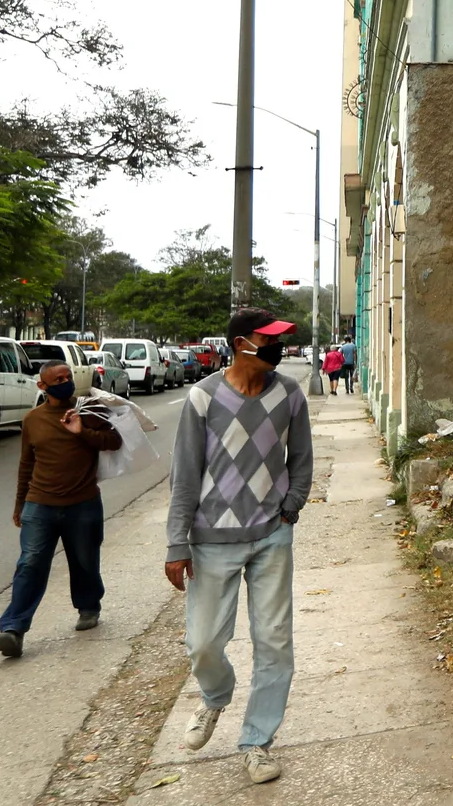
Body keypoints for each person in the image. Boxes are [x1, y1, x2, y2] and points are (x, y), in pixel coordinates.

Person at [165, 309, 313, 785]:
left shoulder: (289, 394)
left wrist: (290, 508)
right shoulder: (203, 397)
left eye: (278, 341)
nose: (276, 348)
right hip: (211, 538)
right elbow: (184, 475)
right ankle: (214, 697)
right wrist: (176, 542)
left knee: (274, 642)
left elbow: (302, 460)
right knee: (203, 643)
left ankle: (257, 742)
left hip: (271, 535)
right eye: (265, 341)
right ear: (239, 344)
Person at [0, 363, 122, 658]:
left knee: (85, 560)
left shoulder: (89, 410)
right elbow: (26, 463)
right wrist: (19, 504)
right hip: (40, 504)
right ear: (42, 387)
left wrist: (81, 431)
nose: (65, 383)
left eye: (68, 378)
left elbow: (114, 441)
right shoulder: (33, 419)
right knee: (30, 562)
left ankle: (88, 607)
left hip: (83, 503)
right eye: (57, 380)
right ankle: (13, 629)